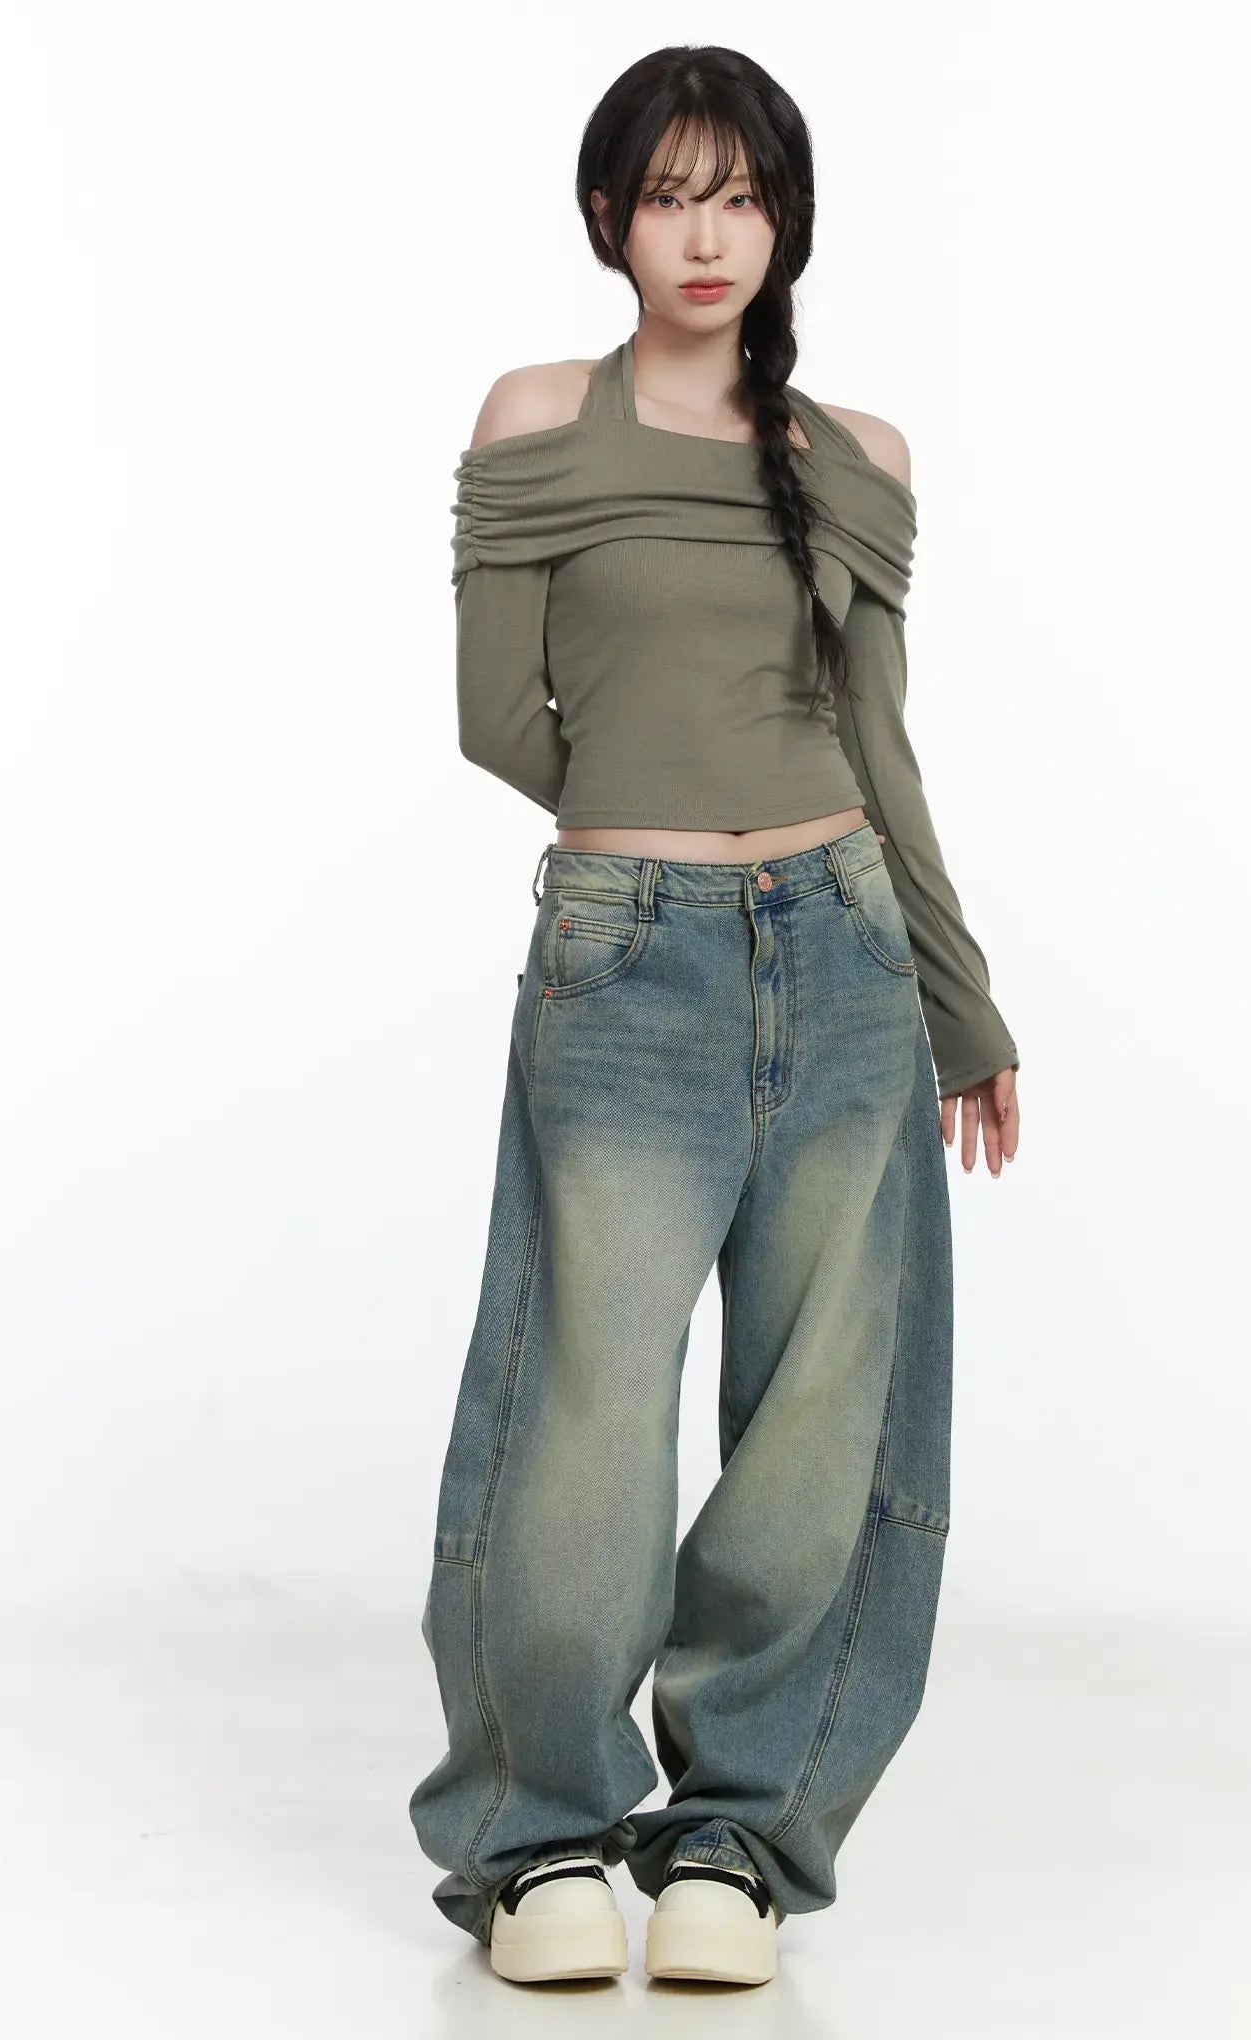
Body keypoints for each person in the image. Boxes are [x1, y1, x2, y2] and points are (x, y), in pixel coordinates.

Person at [408, 44, 1021, 1988]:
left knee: (824, 1410)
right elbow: (496, 716)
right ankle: (537, 1837)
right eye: (670, 195)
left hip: (844, 947)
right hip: (629, 956)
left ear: (786, 221)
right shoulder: (537, 418)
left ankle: (740, 1839)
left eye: (740, 196)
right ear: (609, 217)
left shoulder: (859, 454)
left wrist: (964, 1004)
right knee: (581, 1407)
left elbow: (881, 749)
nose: (706, 233)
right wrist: (651, 841)